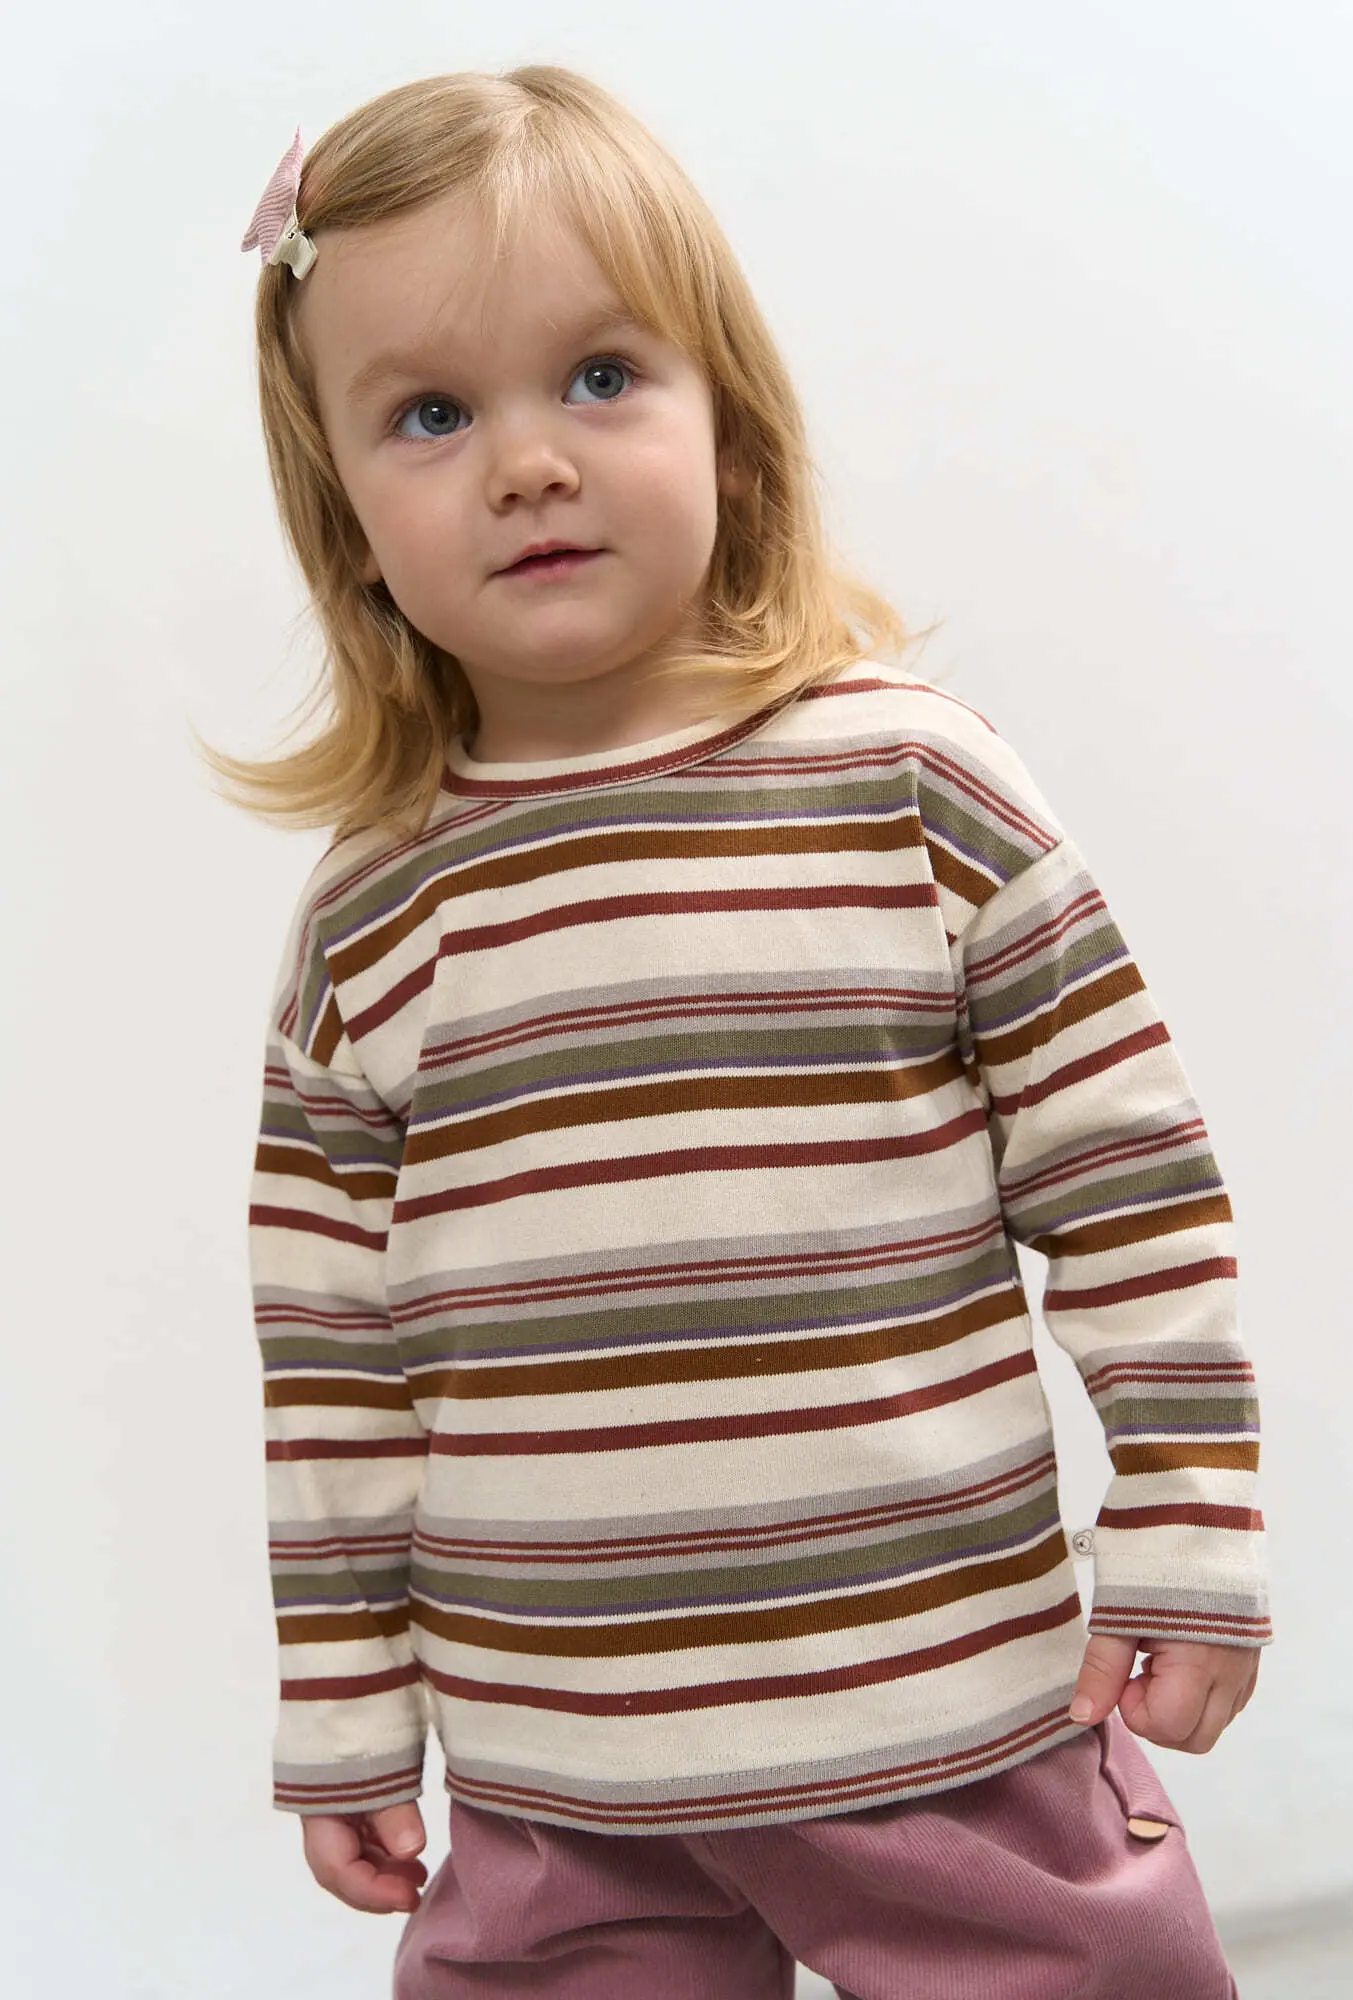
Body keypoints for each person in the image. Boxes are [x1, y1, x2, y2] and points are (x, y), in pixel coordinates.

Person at [222, 65, 1270, 2000]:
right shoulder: (374, 920)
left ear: (735, 426)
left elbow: (1132, 1188)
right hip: (561, 1795)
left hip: (955, 1726)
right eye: (432, 415)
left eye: (599, 376)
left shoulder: (913, 791)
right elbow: (333, 1369)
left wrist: (1189, 1525)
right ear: (345, 516)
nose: (528, 464)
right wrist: (349, 1709)